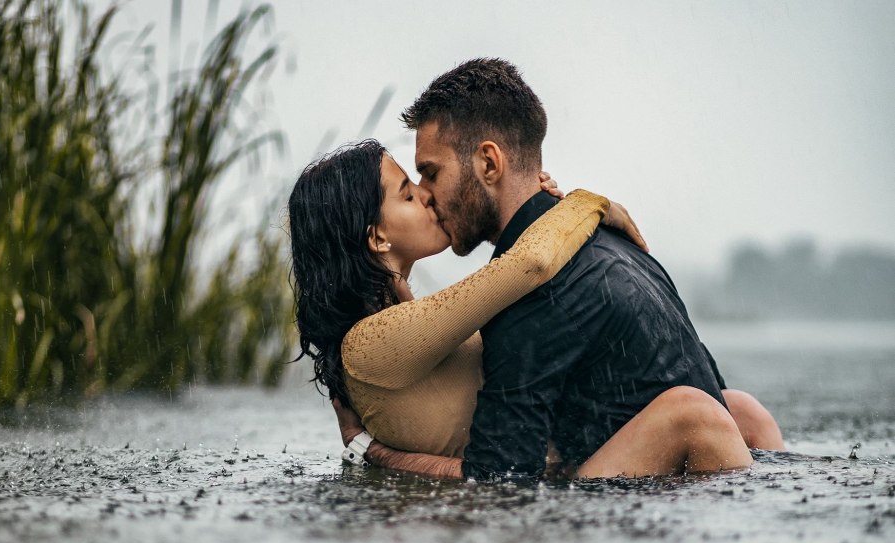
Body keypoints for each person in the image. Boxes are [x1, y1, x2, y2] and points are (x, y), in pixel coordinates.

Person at [289, 139, 779, 481]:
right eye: (406, 192)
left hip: (546, 477)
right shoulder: (369, 345)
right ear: (376, 236)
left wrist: (542, 207)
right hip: (529, 496)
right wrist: (586, 205)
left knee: (740, 410)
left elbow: (526, 298)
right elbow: (529, 264)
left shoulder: (417, 324)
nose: (427, 194)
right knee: (694, 414)